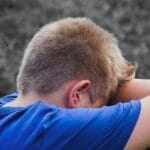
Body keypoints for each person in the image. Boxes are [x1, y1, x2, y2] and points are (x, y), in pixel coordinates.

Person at [0, 17, 150, 149]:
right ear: (77, 94)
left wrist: (108, 84)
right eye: (100, 109)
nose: (99, 115)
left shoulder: (8, 108)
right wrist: (109, 88)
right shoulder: (52, 129)